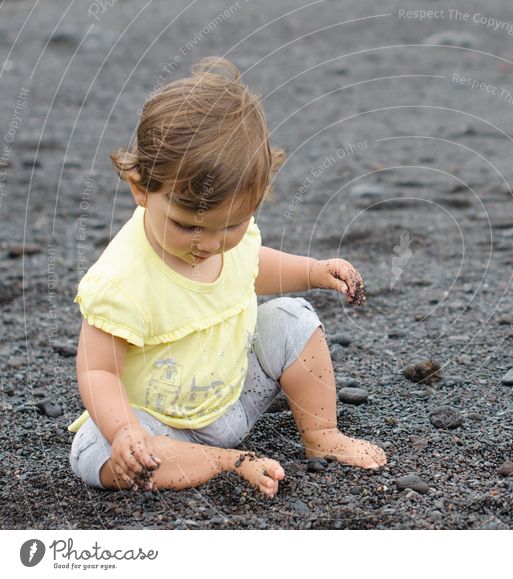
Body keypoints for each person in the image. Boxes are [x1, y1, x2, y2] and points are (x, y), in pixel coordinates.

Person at [67, 57, 386, 498]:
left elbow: (254, 267)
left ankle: (323, 436)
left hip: (233, 398)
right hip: (160, 426)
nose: (211, 244)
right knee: (95, 449)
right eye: (188, 225)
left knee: (293, 318)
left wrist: (314, 272)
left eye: (231, 226)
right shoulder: (121, 281)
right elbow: (98, 370)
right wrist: (125, 432)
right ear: (141, 187)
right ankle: (227, 463)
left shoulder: (227, 241)